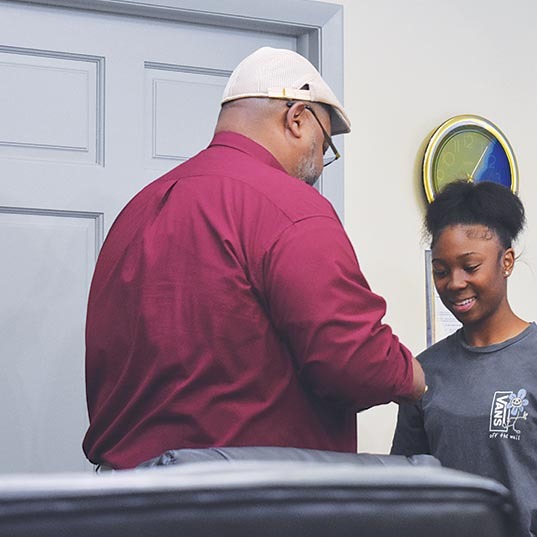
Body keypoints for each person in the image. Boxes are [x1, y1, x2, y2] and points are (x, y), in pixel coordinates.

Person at [83, 47, 426, 470]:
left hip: (122, 500)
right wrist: (413, 376)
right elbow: (351, 358)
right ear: (296, 118)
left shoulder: (135, 213)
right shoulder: (290, 207)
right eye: (323, 146)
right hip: (241, 503)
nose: (320, 164)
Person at [391, 180, 537, 537]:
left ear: (506, 262)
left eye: (470, 266)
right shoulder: (424, 371)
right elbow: (407, 485)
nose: (455, 283)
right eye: (441, 270)